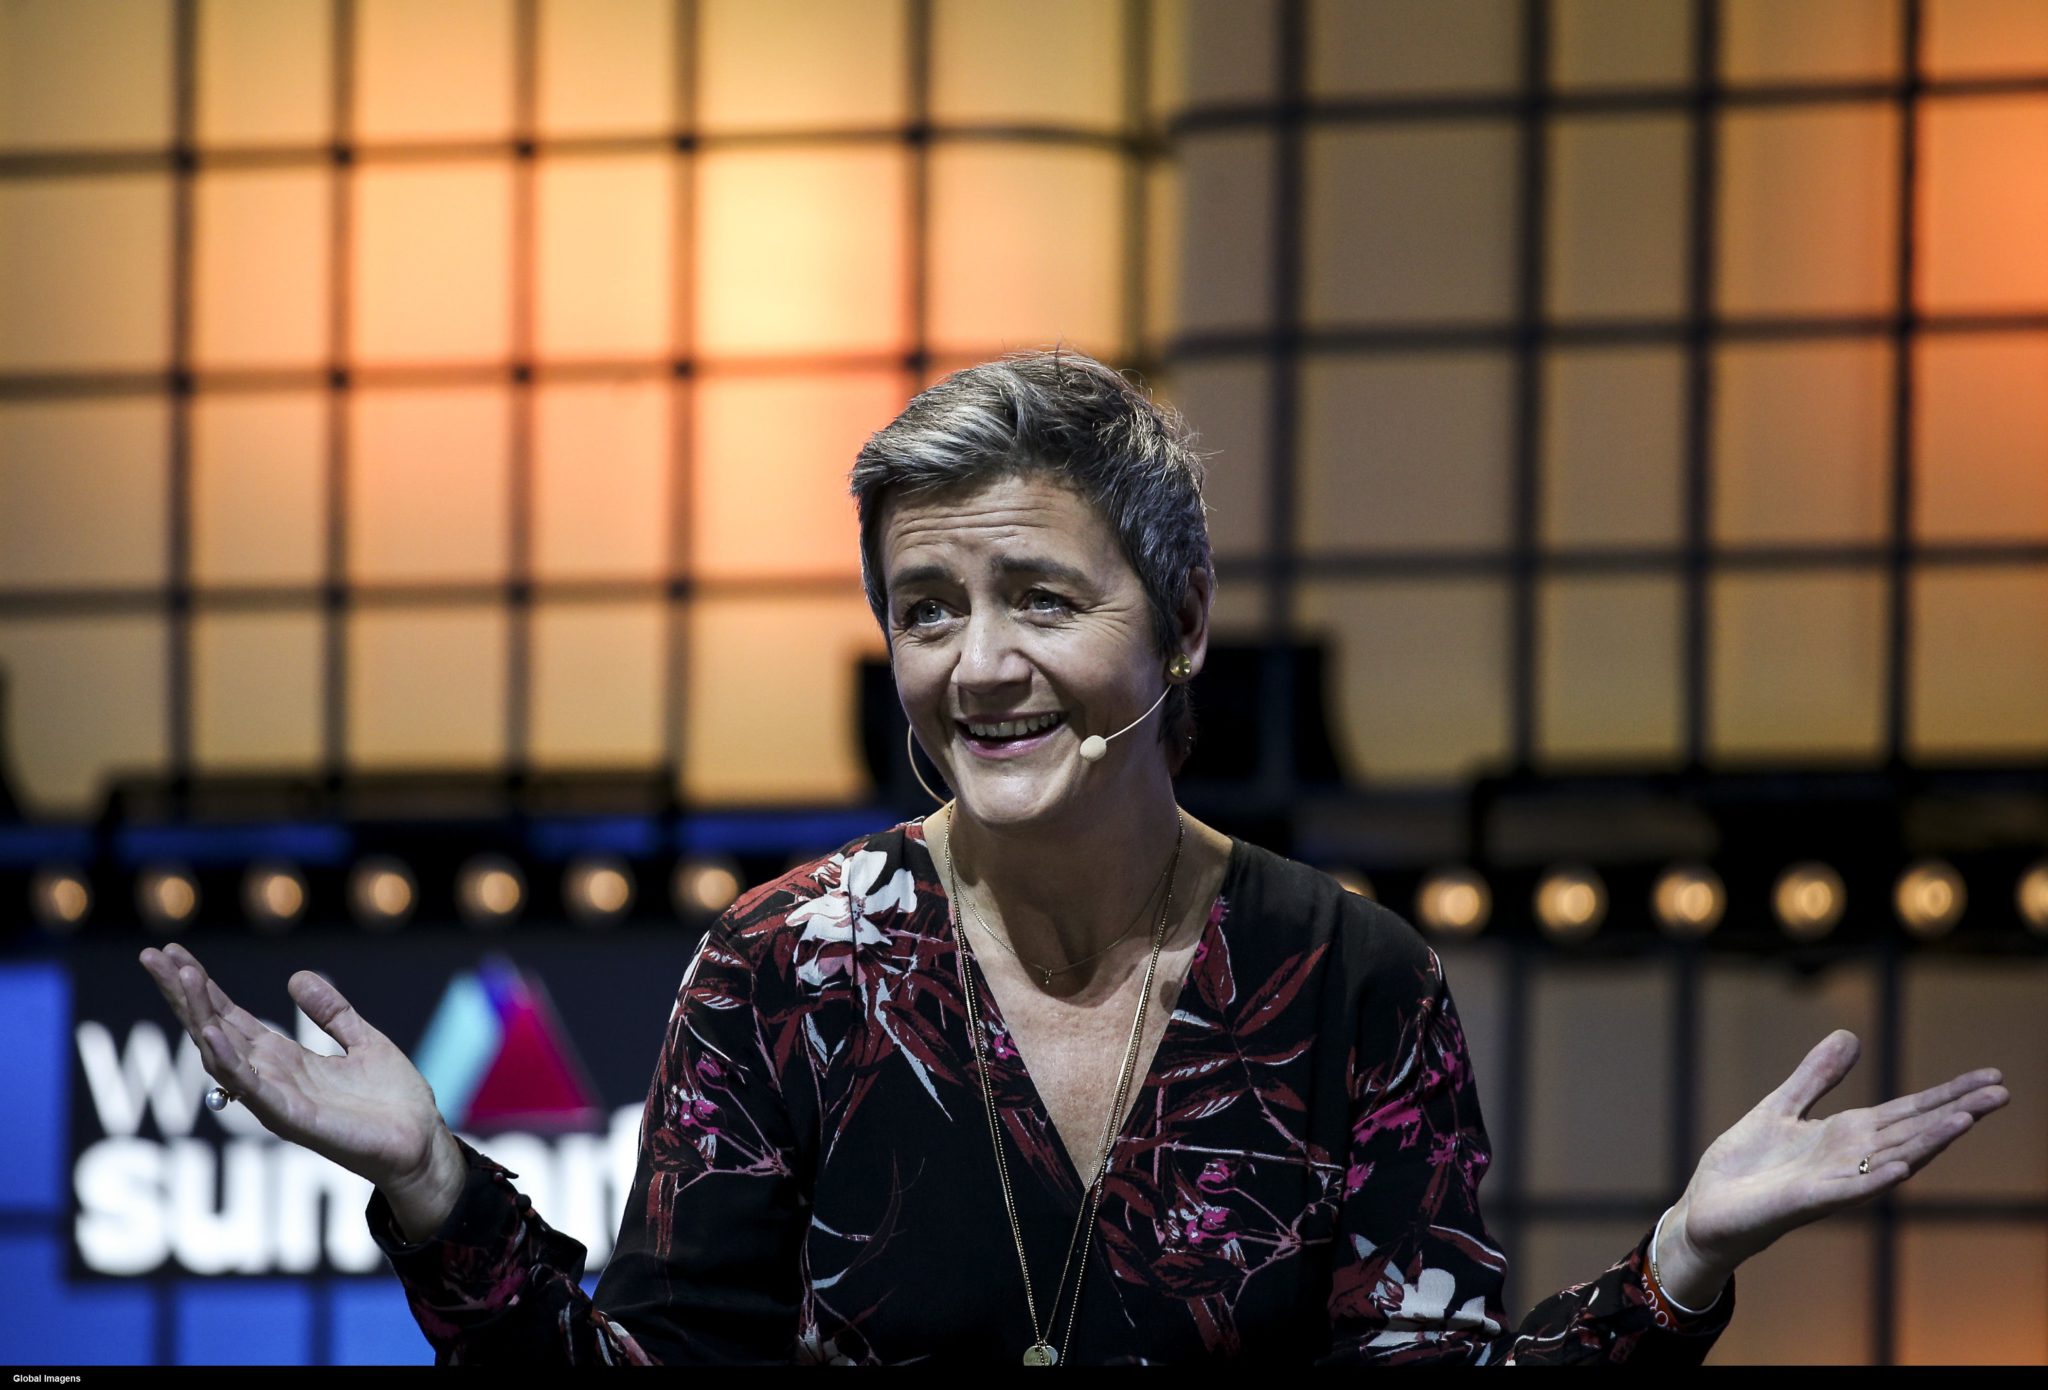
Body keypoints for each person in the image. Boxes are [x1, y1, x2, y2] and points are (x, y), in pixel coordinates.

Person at [139, 351, 2008, 1365]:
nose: (979, 666)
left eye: (1041, 596)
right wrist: (435, 1187)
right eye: (926, 608)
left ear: (1180, 625)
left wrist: (1677, 1264)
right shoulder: (785, 969)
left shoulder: (1351, 979)